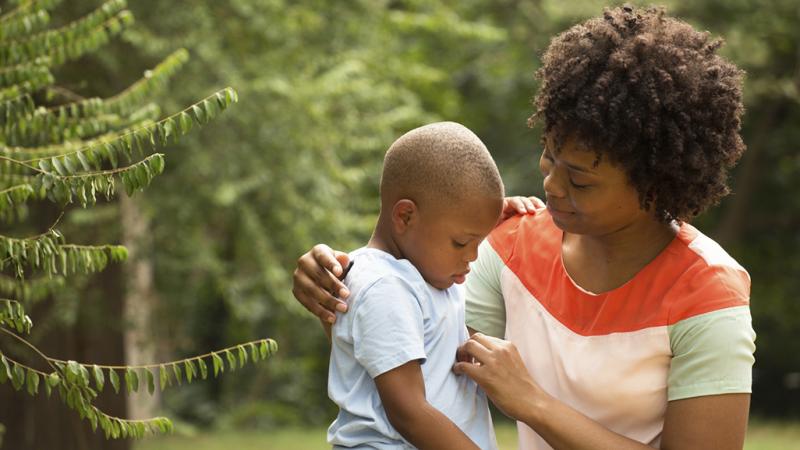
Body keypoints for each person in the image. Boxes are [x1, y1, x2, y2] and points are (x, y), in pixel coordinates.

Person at [293, 5, 755, 450]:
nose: (551, 185)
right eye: (550, 156)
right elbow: (405, 356)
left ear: (655, 184)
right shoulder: (508, 248)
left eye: (580, 180)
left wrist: (534, 403)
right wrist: (338, 291)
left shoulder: (707, 295)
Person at [325, 121, 504, 449]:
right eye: (462, 242)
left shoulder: (427, 275)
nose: (473, 257)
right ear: (405, 217)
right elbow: (409, 411)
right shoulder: (384, 285)